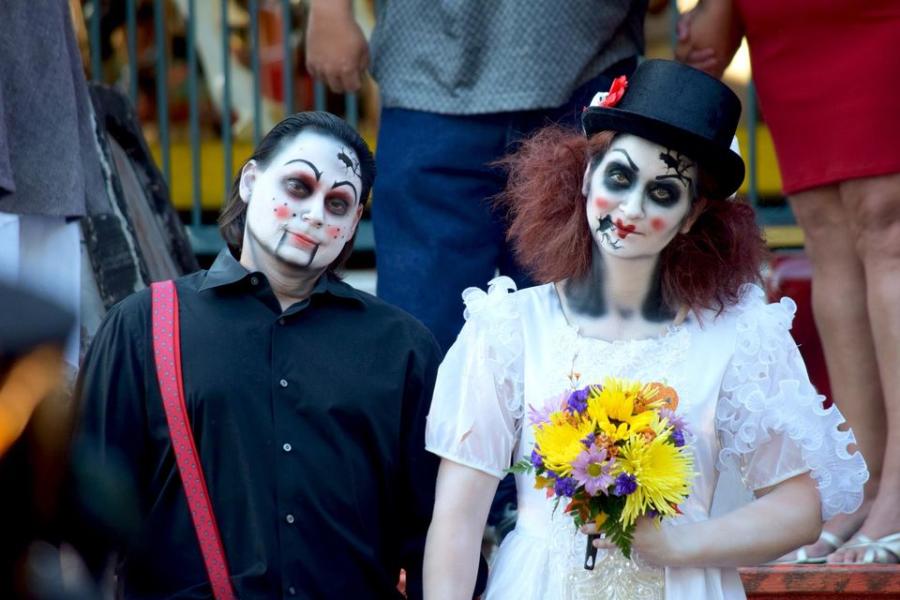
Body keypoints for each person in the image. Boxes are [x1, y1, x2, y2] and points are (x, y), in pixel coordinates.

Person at [422, 60, 868, 599]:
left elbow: (799, 508)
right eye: (619, 176)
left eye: (662, 192)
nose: (631, 207)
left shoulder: (740, 336)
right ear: (588, 176)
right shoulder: (509, 328)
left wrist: (676, 546)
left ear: (691, 215)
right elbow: (457, 519)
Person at [76, 112, 443, 598]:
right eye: (297, 187)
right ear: (251, 181)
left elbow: (434, 539)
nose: (315, 214)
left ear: (354, 222)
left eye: (338, 203)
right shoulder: (143, 326)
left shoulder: (404, 349)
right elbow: (81, 522)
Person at [675, 0, 900, 564]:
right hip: (785, 23)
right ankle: (861, 485)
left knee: (888, 223)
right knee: (826, 234)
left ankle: (898, 493)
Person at [305, 0, 647, 352]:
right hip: (429, 76)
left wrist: (710, 14)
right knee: (424, 341)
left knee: (584, 344)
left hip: (588, 63)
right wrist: (329, 10)